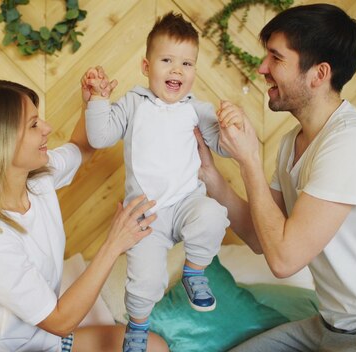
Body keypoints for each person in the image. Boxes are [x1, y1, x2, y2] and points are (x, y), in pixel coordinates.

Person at [194, 3, 356, 351]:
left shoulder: (352, 143)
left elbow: (284, 260)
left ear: (318, 73)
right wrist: (211, 178)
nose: (262, 67)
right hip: (331, 326)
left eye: (276, 58)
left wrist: (250, 160)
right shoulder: (291, 144)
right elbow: (260, 236)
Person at [0, 79, 169, 352]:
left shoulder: (37, 179)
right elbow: (61, 321)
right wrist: (114, 244)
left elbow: (81, 147)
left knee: (152, 347)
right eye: (33, 124)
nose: (47, 128)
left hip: (48, 342)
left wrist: (90, 105)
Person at [81, 12, 230, 352]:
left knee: (213, 214)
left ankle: (194, 272)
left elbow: (221, 146)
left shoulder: (198, 109)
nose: (177, 70)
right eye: (167, 61)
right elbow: (100, 136)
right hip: (145, 215)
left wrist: (229, 125)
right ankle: (137, 326)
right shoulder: (134, 104)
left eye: (187, 64)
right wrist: (98, 100)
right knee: (143, 282)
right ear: (146, 67)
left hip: (186, 204)